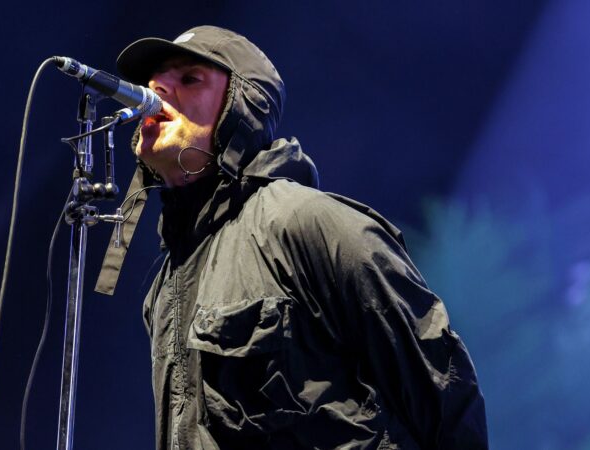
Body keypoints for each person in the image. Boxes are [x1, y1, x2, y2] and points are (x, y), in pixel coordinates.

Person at [95, 25, 488, 449]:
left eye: (189, 78)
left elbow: (443, 394)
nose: (157, 88)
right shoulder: (165, 281)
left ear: (240, 108)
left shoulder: (314, 225)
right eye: (153, 81)